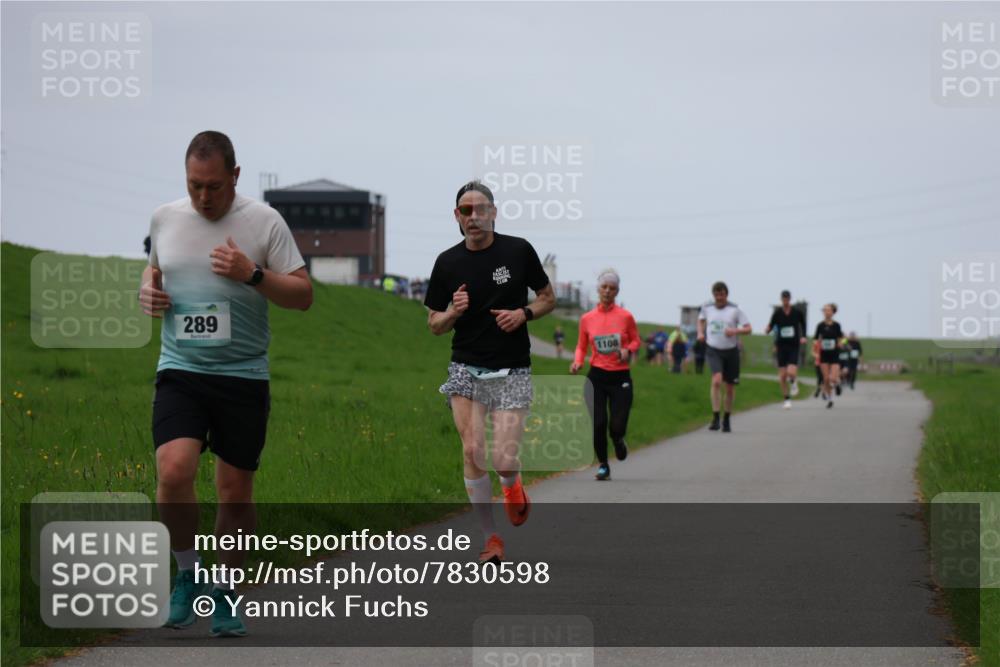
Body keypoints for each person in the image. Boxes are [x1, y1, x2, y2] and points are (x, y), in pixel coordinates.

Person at [139, 131, 313, 637]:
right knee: (173, 470)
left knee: (234, 492)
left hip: (242, 376)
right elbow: (153, 274)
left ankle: (227, 593)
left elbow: (302, 296)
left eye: (214, 186)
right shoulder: (165, 218)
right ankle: (188, 574)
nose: (204, 196)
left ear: (234, 176)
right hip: (181, 369)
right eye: (194, 185)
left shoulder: (264, 222)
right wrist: (146, 297)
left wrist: (252, 274)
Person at [424, 180, 555, 564]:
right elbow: (434, 324)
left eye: (481, 209)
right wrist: (453, 312)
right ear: (457, 217)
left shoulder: (518, 250)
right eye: (466, 210)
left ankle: (512, 485)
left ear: (494, 212)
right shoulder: (447, 263)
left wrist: (524, 313)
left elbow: (548, 298)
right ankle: (490, 538)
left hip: (512, 367)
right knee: (472, 449)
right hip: (466, 366)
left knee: (503, 460)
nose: (474, 217)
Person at [570, 270, 640, 481]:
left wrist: (628, 350)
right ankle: (603, 465)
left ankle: (618, 440)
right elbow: (581, 346)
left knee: (616, 426)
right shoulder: (587, 318)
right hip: (597, 377)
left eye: (612, 288)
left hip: (620, 377)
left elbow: (636, 340)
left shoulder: (625, 316)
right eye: (604, 287)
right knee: (598, 423)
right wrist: (578, 361)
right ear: (598, 289)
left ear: (617, 291)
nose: (608, 291)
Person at [697, 282, 751, 432]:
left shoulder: (735, 309)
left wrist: (734, 331)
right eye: (716, 294)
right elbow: (700, 320)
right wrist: (700, 333)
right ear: (713, 295)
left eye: (722, 294)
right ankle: (715, 418)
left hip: (731, 351)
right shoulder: (707, 308)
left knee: (730, 388)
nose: (719, 297)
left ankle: (726, 418)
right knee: (716, 381)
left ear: (727, 294)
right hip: (713, 349)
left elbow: (748, 329)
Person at [764, 290, 808, 409]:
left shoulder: (796, 312)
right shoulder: (777, 313)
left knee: (791, 372)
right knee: (782, 375)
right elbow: (772, 325)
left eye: (787, 298)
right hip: (781, 345)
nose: (785, 300)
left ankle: (793, 382)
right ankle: (786, 399)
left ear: (790, 299)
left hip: (794, 344)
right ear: (781, 299)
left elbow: (803, 324)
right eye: (783, 298)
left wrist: (803, 336)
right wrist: (767, 329)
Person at [813, 303, 844, 409]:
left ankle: (837, 383)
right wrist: (816, 351)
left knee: (833, 378)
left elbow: (842, 338)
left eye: (828, 310)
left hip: (834, 354)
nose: (826, 312)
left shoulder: (837, 325)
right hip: (824, 354)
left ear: (833, 312)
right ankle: (830, 399)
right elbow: (816, 340)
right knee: (826, 379)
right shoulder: (820, 325)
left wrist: (841, 343)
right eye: (824, 310)